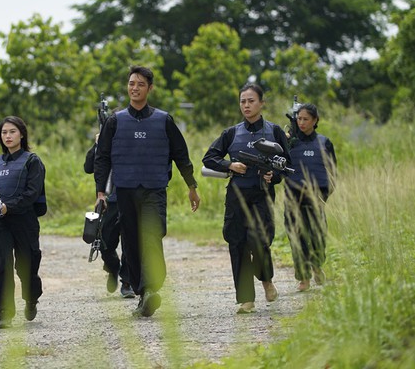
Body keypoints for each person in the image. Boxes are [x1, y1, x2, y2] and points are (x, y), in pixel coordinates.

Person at [94, 65, 200, 318]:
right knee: (130, 242)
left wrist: (191, 186)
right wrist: (101, 192)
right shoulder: (115, 121)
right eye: (131, 83)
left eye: (140, 84)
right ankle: (144, 293)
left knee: (152, 235)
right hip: (125, 191)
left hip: (154, 189)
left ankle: (152, 287)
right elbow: (103, 158)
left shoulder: (163, 120)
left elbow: (180, 155)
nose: (135, 88)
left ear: (150, 88)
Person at [202, 83, 289, 314]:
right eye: (243, 101)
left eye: (251, 101)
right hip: (237, 196)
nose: (247, 105)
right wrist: (230, 164)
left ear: (262, 103)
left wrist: (274, 175)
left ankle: (266, 280)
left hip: (262, 194)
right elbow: (209, 157)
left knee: (259, 241)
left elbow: (288, 164)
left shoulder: (275, 131)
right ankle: (246, 299)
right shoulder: (231, 133)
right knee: (237, 242)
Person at [0, 116, 45, 329]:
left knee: (27, 266)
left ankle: (31, 298)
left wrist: (10, 206)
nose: (7, 136)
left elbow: (32, 193)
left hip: (24, 220)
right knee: (0, 265)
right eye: (4, 132)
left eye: (12, 132)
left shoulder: (32, 161)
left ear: (22, 134)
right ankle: (5, 314)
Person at [284, 103, 336, 292]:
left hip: (316, 198)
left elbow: (332, 172)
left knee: (317, 235)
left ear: (315, 121)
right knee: (296, 236)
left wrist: (325, 194)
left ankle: (317, 265)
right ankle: (303, 278)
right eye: (299, 119)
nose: (302, 122)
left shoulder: (324, 142)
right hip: (293, 198)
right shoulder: (289, 142)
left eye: (306, 119)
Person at [84, 133, 135, 298]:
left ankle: (127, 282)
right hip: (108, 200)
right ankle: (113, 268)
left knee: (130, 240)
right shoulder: (104, 145)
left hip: (131, 196)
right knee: (105, 242)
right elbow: (88, 167)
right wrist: (98, 144)